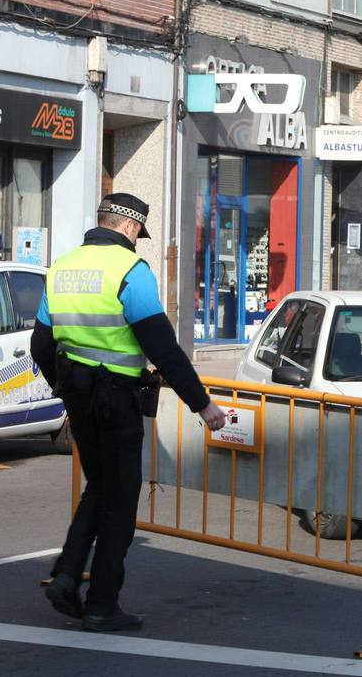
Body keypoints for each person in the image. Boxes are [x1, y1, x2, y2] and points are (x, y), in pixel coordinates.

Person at [34, 193, 227, 632]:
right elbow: (162, 347)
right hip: (118, 397)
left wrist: (64, 388)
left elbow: (40, 346)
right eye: (139, 232)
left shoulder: (60, 268)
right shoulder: (130, 271)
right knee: (120, 498)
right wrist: (204, 405)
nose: (139, 239)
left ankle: (66, 576)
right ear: (128, 227)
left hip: (78, 395)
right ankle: (102, 605)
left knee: (98, 486)